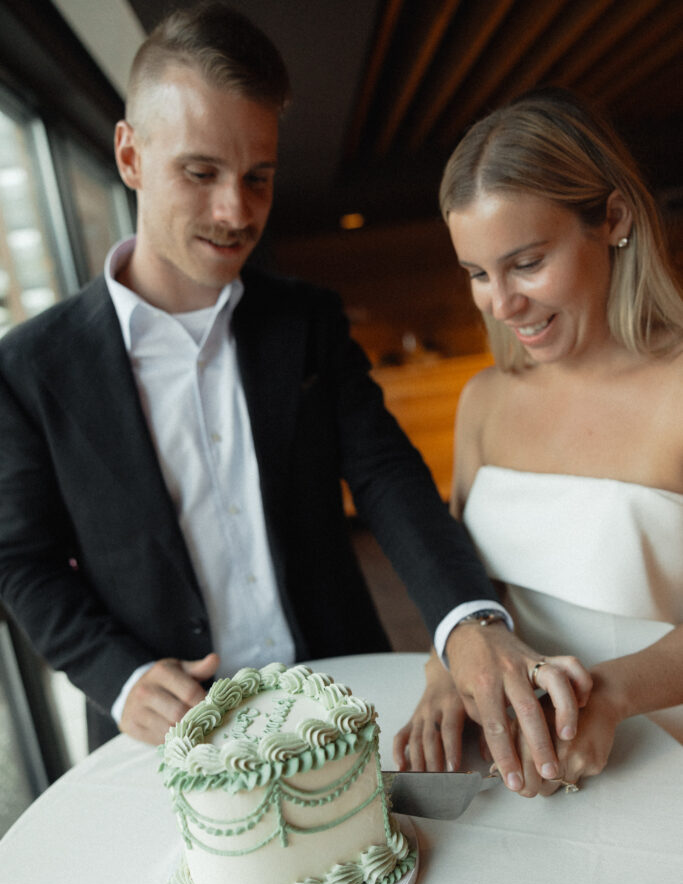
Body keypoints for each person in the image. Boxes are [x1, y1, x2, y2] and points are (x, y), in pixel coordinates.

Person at [0, 6, 589, 775]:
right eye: (200, 172)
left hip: (345, 700)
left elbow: (386, 476)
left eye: (258, 178)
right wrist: (119, 675)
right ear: (130, 154)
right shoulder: (30, 367)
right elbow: (21, 560)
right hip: (167, 740)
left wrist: (466, 621)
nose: (235, 211)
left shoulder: (306, 321)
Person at [395, 87, 683, 795]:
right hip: (522, 767)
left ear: (611, 218)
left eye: (525, 263)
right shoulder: (483, 401)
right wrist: (446, 668)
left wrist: (610, 695)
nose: (500, 302)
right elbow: (468, 580)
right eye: (476, 274)